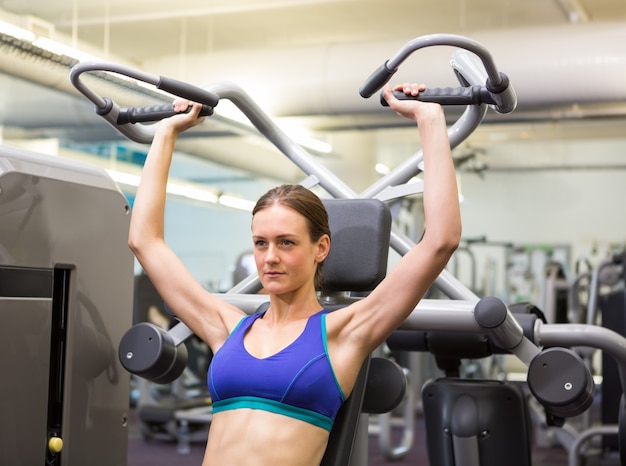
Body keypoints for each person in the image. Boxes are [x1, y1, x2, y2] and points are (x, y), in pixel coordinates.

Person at [128, 82, 461, 465]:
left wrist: (431, 120)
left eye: (286, 243)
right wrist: (166, 133)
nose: (270, 257)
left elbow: (440, 241)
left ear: (320, 248)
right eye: (260, 243)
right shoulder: (227, 328)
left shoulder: (343, 334)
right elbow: (145, 242)